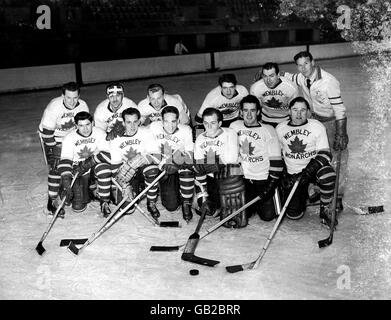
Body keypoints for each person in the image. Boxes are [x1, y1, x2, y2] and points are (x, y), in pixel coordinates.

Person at [282, 51, 348, 209]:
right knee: (312, 154)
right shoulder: (302, 77)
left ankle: (337, 196)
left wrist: (341, 132)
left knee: (337, 158)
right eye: (299, 65)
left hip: (331, 122)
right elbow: (290, 76)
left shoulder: (328, 81)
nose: (303, 68)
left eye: (306, 63)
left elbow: (340, 109)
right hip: (313, 120)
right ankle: (317, 188)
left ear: (313, 62)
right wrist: (276, 73)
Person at [275, 97, 337, 228]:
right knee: (294, 215)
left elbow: (325, 154)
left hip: (313, 171)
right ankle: (308, 193)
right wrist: (285, 175)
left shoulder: (316, 126)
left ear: (308, 111)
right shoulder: (280, 129)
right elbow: (278, 155)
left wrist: (307, 173)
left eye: (303, 110)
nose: (298, 114)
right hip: (294, 175)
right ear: (289, 111)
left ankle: (325, 208)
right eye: (295, 110)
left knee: (328, 174)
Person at [38, 81, 89, 216]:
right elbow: (47, 133)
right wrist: (56, 149)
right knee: (55, 168)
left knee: (76, 164)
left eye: (75, 98)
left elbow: (85, 128)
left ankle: (73, 190)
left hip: (71, 139)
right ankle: (52, 201)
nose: (72, 102)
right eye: (68, 98)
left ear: (79, 96)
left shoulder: (83, 105)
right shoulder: (54, 107)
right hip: (52, 138)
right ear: (63, 96)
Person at [229, 95, 283, 221]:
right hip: (245, 179)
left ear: (258, 112)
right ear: (241, 112)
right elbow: (232, 155)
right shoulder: (234, 126)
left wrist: (270, 186)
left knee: (268, 216)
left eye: (252, 110)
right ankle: (252, 203)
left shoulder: (268, 130)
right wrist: (234, 178)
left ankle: (274, 195)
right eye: (245, 110)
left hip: (263, 180)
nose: (248, 115)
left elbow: (277, 163)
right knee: (242, 215)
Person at [193, 108, 247, 228]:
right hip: (212, 178)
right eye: (206, 123)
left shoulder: (230, 133)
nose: (209, 127)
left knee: (231, 170)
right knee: (205, 209)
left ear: (220, 123)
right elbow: (199, 167)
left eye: (213, 123)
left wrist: (210, 164)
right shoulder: (200, 138)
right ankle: (211, 203)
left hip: (231, 177)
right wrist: (203, 197)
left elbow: (231, 159)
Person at [109, 107, 162, 218]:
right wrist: (124, 185)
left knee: (152, 170)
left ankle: (151, 201)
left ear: (139, 121)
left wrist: (138, 160)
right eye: (128, 122)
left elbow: (157, 156)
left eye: (135, 122)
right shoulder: (115, 138)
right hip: (126, 175)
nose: (132, 126)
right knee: (127, 209)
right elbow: (115, 166)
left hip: (142, 170)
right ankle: (134, 189)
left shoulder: (146, 132)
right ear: (123, 122)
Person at [57, 112, 112, 217]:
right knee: (78, 208)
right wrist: (66, 180)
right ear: (76, 126)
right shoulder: (69, 138)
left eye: (88, 124)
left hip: (93, 166)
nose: (85, 129)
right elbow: (65, 161)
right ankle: (86, 190)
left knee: (105, 169)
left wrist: (87, 164)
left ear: (92, 123)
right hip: (77, 169)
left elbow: (108, 154)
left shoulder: (100, 133)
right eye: (81, 125)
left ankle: (104, 201)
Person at [149, 106, 195, 222]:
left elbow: (190, 155)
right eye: (166, 121)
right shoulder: (154, 127)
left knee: (187, 170)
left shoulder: (186, 130)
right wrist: (163, 165)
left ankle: (186, 202)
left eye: (173, 121)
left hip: (180, 165)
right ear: (161, 121)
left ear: (178, 121)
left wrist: (177, 162)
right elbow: (151, 152)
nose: (170, 125)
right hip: (165, 168)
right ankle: (175, 189)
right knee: (171, 206)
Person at [250, 62, 299, 127]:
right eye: (265, 76)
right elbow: (255, 108)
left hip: (285, 119)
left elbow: (295, 108)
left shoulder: (291, 87)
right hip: (265, 119)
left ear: (278, 75)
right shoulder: (255, 88)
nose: (268, 80)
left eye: (271, 76)